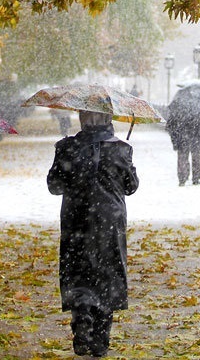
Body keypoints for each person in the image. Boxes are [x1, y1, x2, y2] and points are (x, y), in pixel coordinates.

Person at [47, 110, 140, 358]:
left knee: (78, 270)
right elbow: (131, 187)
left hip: (76, 218)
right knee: (107, 273)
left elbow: (54, 186)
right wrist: (126, 163)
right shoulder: (121, 149)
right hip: (110, 220)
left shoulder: (67, 147)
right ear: (108, 119)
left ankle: (82, 322)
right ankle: (101, 337)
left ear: (82, 118)